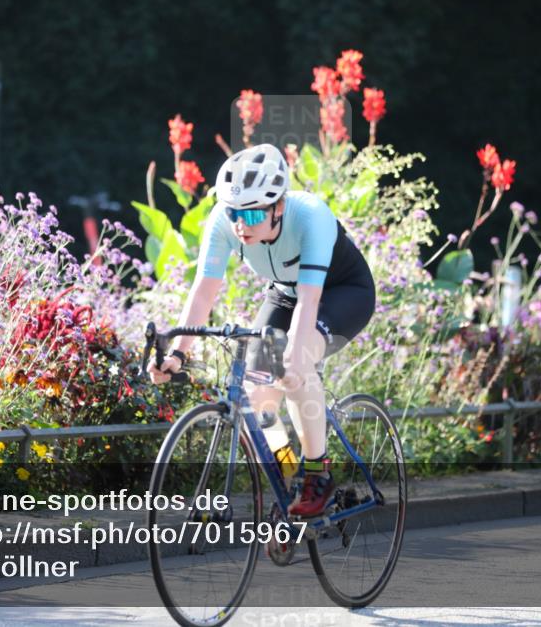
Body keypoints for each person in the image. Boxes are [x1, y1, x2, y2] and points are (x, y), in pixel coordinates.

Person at [148, 143, 376, 518]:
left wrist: (293, 361)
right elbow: (204, 291)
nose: (240, 225)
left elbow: (309, 299)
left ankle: (318, 473)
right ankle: (288, 473)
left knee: (297, 365)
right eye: (235, 212)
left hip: (342, 293)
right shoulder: (225, 221)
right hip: (284, 294)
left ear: (279, 207)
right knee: (257, 393)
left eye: (252, 215)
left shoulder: (310, 216)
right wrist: (178, 354)